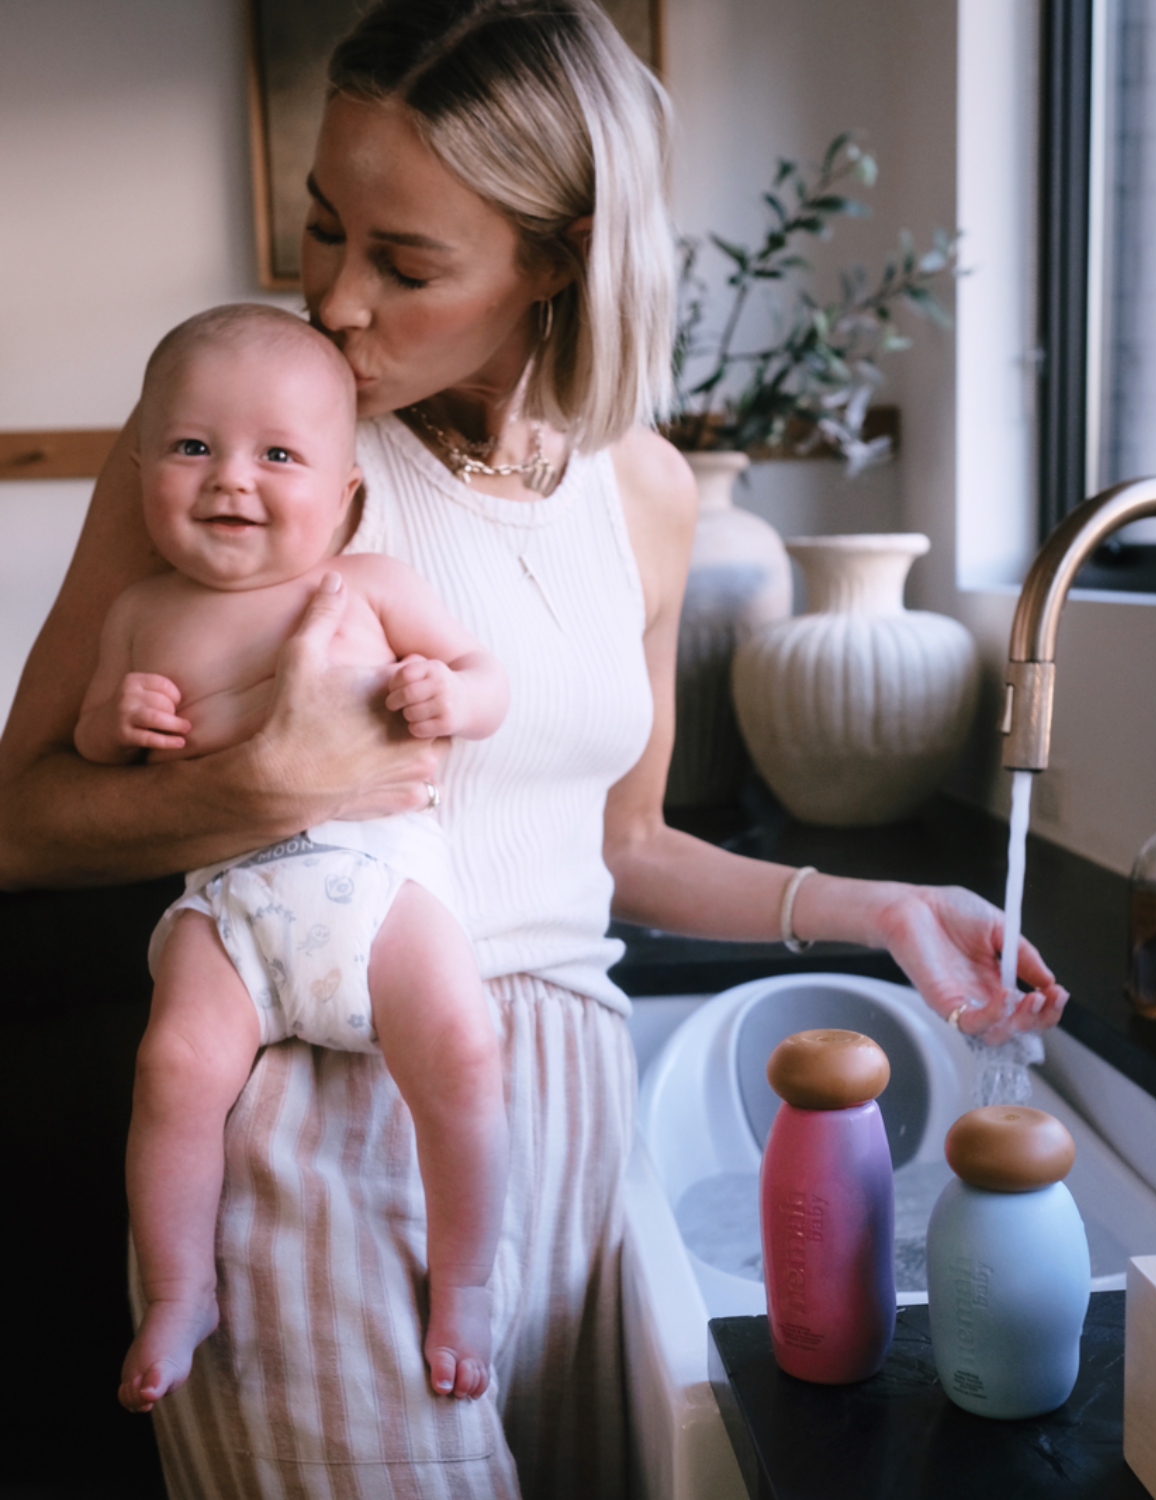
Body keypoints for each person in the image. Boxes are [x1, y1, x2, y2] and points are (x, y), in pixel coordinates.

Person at [0, 2, 1067, 1496]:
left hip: (563, 1109)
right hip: (311, 1090)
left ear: (558, 259)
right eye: (322, 230)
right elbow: (20, 821)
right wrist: (262, 785)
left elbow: (620, 850)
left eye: (405, 261)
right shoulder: (255, 444)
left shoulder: (644, 491)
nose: (337, 303)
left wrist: (873, 909)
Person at [74, 303, 511, 1415]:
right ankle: (179, 1290)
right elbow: (84, 742)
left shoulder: (362, 585)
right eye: (191, 448)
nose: (232, 479)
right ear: (140, 470)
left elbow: (484, 677)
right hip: (229, 903)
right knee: (172, 1070)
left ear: (344, 495)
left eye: (277, 454)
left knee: (462, 1045)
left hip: (374, 878)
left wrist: (445, 692)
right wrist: (118, 719)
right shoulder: (139, 611)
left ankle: (462, 1276)